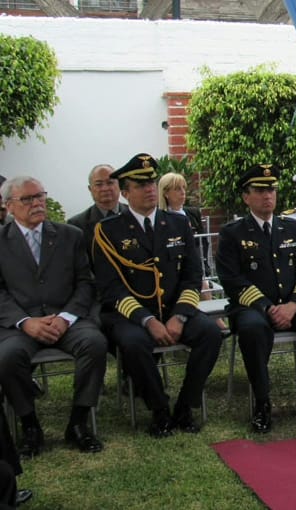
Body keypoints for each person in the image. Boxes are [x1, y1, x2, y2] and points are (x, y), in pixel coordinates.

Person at [92, 153, 222, 438]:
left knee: (211, 335)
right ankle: (160, 409)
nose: (150, 188)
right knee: (134, 344)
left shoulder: (178, 223)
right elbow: (110, 287)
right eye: (140, 184)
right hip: (131, 314)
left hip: (176, 309)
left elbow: (191, 276)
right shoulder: (107, 231)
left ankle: (185, 406)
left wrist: (178, 316)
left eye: (151, 181)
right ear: (125, 192)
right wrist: (148, 320)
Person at [216, 164, 296, 432]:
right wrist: (268, 307)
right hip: (252, 307)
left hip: (292, 305)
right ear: (246, 196)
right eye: (260, 190)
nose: (267, 195)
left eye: (271, 189)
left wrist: (294, 305)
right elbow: (231, 279)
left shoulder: (292, 229)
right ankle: (262, 403)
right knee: (252, 330)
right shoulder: (232, 233)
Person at [0, 176, 107, 456]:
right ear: (9, 206)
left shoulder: (69, 235)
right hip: (21, 325)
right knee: (7, 357)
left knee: (95, 344)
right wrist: (26, 322)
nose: (37, 203)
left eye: (40, 196)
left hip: (67, 320)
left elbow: (86, 282)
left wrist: (66, 317)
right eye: (28, 199)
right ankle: (30, 425)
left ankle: (78, 423)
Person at [67, 164, 129, 256]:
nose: (105, 188)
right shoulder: (76, 225)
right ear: (90, 189)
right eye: (99, 184)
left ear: (119, 185)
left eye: (110, 183)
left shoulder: (134, 215)